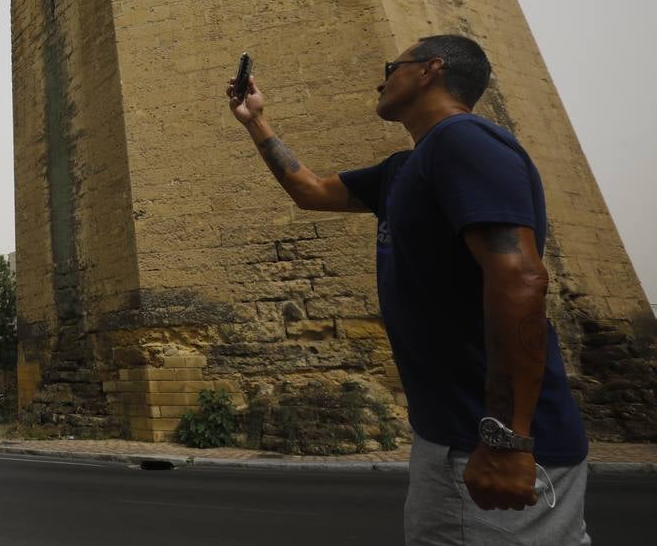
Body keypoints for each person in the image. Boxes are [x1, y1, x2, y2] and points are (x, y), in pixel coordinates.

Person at [228, 34, 589, 544]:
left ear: (430, 70)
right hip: (448, 435)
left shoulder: (466, 141)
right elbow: (309, 190)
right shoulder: (406, 168)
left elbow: (521, 279)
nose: (382, 78)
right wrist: (255, 119)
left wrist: (507, 440)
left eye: (391, 66)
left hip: (487, 438)